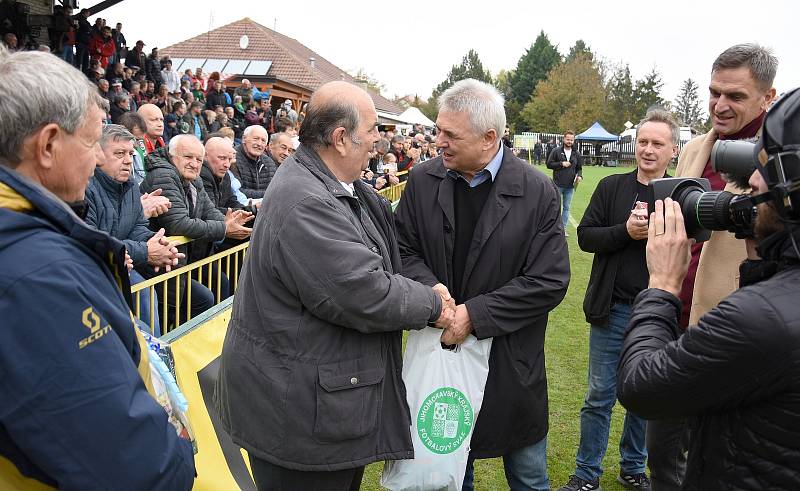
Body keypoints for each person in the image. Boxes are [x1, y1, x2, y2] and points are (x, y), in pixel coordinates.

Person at [215, 80, 454, 491]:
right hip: (298, 417)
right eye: (373, 129)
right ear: (341, 138)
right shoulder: (306, 200)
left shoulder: (339, 186)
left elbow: (386, 252)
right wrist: (432, 304)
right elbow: (364, 291)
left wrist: (424, 283)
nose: (379, 140)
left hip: (318, 403)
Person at [0, 45, 195, 490]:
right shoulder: (34, 276)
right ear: (48, 145)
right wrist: (181, 450)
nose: (97, 158)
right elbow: (131, 463)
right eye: (90, 143)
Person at [617, 87, 800, 490]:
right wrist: (766, 253)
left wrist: (663, 285)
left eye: (764, 166)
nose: (750, 179)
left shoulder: (759, 318)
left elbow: (642, 387)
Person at [395, 78, 570, 491]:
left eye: (449, 134)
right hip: (441, 354)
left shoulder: (537, 191)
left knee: (528, 476)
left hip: (510, 362)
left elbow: (549, 281)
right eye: (438, 130)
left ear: (490, 137)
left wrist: (475, 315)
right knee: (449, 470)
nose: (438, 142)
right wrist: (432, 289)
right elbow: (401, 249)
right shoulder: (422, 180)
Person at [651, 43, 778, 491]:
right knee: (662, 457)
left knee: (714, 465)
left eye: (736, 96)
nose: (720, 105)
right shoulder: (697, 148)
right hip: (674, 324)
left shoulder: (781, 164)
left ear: (768, 97)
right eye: (713, 92)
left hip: (737, 337)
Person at [558, 110, 678, 491]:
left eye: (658, 143)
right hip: (612, 308)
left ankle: (633, 467)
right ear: (634, 145)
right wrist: (625, 231)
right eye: (643, 141)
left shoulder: (680, 194)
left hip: (656, 314)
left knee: (645, 397)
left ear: (672, 151)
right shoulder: (612, 187)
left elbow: (699, 243)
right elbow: (586, 237)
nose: (648, 149)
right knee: (599, 396)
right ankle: (587, 472)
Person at [85, 124, 183, 336]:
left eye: (131, 153)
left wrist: (158, 244)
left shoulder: (130, 186)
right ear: (98, 154)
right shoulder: (85, 187)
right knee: (143, 309)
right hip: (96, 274)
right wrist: (146, 251)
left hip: (124, 266)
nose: (129, 160)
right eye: (119, 153)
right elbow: (91, 240)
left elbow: (137, 227)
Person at [547, 130, 583, 236]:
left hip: (570, 186)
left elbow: (579, 168)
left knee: (567, 207)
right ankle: (552, 227)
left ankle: (563, 228)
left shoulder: (576, 153)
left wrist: (580, 176)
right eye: (567, 139)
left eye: (571, 140)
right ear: (564, 139)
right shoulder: (556, 151)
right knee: (555, 207)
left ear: (573, 140)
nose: (569, 141)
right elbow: (549, 164)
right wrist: (561, 163)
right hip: (557, 184)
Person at [233, 125, 277, 199]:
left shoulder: (269, 163)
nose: (259, 144)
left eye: (263, 141)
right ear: (244, 139)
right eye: (256, 139)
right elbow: (236, 192)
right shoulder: (232, 158)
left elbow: (274, 190)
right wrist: (267, 195)